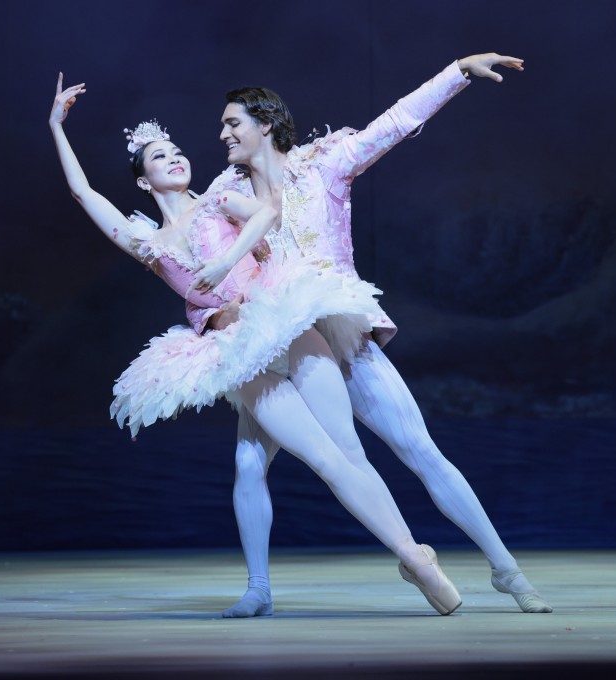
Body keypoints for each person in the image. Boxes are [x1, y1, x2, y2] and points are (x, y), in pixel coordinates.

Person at [48, 73, 463, 616]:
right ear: (145, 182)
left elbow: (268, 211)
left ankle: (412, 557)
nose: (174, 158)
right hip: (235, 351)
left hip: (281, 318)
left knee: (345, 449)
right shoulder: (147, 242)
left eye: (176, 150)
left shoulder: (221, 198)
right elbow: (84, 194)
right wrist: (57, 126)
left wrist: (224, 259)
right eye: (158, 157)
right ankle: (413, 558)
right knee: (317, 458)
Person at [187, 53, 554, 616]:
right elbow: (198, 261)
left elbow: (395, 123)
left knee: (418, 449)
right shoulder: (223, 192)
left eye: (232, 122)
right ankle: (260, 589)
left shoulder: (324, 164)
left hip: (340, 337)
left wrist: (457, 71)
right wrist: (211, 319)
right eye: (221, 125)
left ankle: (505, 568)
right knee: (246, 464)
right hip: (271, 346)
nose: (223, 133)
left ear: (265, 123)